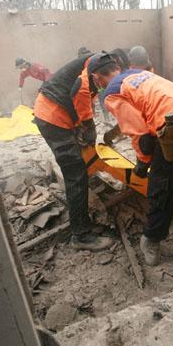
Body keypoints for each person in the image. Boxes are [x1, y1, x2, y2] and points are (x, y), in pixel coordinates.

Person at [88, 54, 173, 275]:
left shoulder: (111, 93)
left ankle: (151, 241)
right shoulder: (142, 75)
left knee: (162, 192)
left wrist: (143, 162)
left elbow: (139, 133)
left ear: (96, 78)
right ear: (118, 67)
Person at [32, 53, 114, 250]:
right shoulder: (84, 82)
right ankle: (81, 235)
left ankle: (83, 208)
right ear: (97, 76)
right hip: (53, 117)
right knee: (75, 174)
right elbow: (86, 115)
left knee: (79, 162)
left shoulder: (96, 65)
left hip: (60, 111)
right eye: (104, 84)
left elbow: (85, 108)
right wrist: (89, 134)